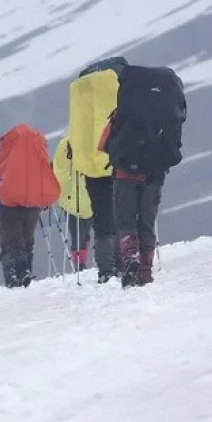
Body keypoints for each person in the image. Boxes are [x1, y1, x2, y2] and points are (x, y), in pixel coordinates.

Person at [101, 65, 186, 288]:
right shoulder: (165, 111)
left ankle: (130, 259)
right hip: (156, 168)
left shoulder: (125, 112)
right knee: (147, 221)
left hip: (127, 167)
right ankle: (145, 272)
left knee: (126, 219)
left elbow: (104, 143)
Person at [68, 56, 128, 282]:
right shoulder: (117, 86)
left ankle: (106, 270)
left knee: (102, 218)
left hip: (89, 165)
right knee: (123, 213)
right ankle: (123, 261)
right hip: (116, 160)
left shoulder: (81, 91)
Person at [0, 123, 61, 288]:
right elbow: (46, 176)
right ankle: (25, 272)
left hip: (8, 206)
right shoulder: (38, 153)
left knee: (11, 243)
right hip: (32, 207)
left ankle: (13, 277)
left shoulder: (3, 154)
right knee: (26, 241)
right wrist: (45, 200)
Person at [52, 134, 94, 271]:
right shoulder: (94, 137)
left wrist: (62, 193)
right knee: (95, 230)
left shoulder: (66, 143)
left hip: (71, 199)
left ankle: (79, 263)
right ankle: (108, 260)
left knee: (77, 234)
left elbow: (59, 172)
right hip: (93, 194)